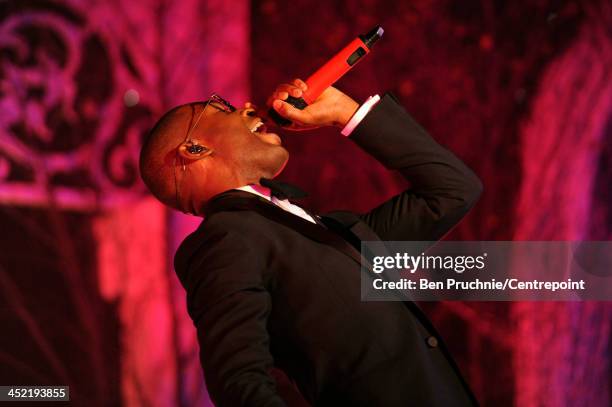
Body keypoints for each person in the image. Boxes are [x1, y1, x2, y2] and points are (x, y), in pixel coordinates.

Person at [139, 79, 482, 406]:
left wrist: (345, 112)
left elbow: (452, 190)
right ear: (195, 149)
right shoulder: (224, 239)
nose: (247, 107)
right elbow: (238, 382)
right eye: (222, 107)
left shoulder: (328, 234)